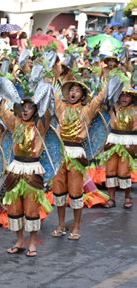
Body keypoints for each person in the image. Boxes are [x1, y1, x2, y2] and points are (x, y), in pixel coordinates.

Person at [0, 97, 53, 257]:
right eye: (23, 107)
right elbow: (1, 112)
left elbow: (48, 113)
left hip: (33, 169)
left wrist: (45, 94)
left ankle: (33, 243)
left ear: (35, 110)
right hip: (15, 168)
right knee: (15, 208)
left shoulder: (40, 126)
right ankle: (20, 241)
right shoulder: (15, 123)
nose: (26, 110)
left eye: (30, 107)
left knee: (31, 209)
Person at [51, 79, 106, 240]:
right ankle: (60, 225)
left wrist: (107, 80)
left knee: (76, 193)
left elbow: (99, 99)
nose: (73, 93)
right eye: (71, 90)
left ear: (82, 95)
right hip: (60, 154)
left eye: (77, 90)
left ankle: (76, 226)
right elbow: (52, 91)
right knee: (59, 192)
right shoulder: (61, 107)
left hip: (76, 154)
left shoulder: (86, 111)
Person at [103, 86, 135, 209]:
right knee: (110, 171)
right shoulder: (113, 108)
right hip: (113, 139)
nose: (124, 98)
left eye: (127, 95)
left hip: (128, 140)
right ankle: (111, 199)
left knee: (123, 172)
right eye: (122, 95)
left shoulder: (135, 110)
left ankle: (127, 197)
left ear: (132, 98)